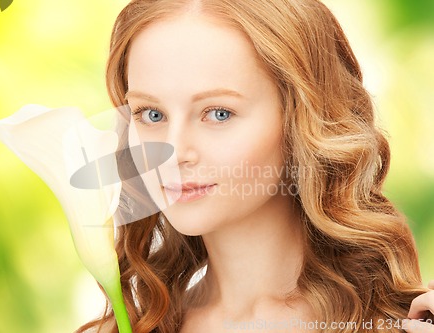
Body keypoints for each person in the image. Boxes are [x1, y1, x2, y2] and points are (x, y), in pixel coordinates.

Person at [78, 0, 434, 332]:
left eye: (218, 113)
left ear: (302, 119)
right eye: (151, 114)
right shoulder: (128, 327)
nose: (172, 153)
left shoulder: (402, 321)